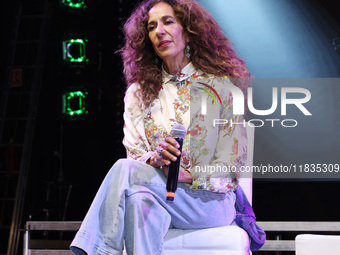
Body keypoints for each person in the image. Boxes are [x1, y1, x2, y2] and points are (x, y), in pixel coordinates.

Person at [70, 0, 252, 254]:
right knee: (136, 199)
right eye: (151, 26)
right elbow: (134, 157)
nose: (159, 31)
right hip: (158, 195)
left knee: (125, 172)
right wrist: (155, 159)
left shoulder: (222, 89)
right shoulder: (138, 94)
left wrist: (191, 175)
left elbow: (233, 167)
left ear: (188, 31)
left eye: (168, 22)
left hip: (209, 203)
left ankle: (97, 250)